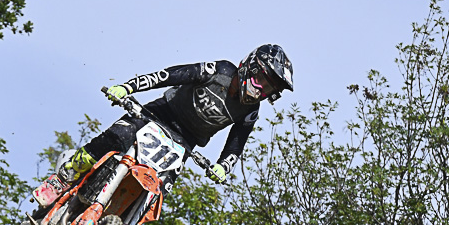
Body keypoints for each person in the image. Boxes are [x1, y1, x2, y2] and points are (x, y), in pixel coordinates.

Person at [59, 43, 293, 187]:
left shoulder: (251, 110)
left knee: (159, 187)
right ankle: (64, 176)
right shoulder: (219, 70)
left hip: (184, 143)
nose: (261, 91)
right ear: (251, 66)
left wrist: (224, 166)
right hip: (158, 114)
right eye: (261, 81)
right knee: (119, 135)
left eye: (268, 89)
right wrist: (129, 87)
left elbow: (237, 143)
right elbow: (170, 75)